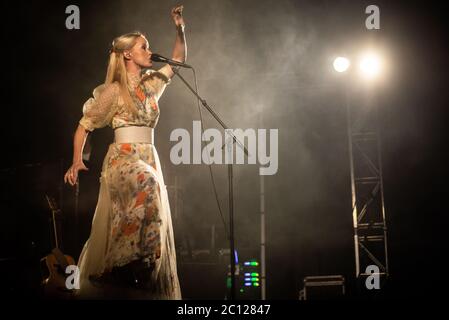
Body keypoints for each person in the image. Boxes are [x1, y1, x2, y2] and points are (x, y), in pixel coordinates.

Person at [64, 5, 187, 299]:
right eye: (144, 47)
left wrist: (180, 28)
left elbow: (179, 59)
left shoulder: (151, 84)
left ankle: (142, 266)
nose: (149, 50)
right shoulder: (113, 91)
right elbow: (84, 125)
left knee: (154, 205)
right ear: (128, 54)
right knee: (149, 183)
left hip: (148, 156)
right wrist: (76, 160)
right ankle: (118, 262)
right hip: (123, 159)